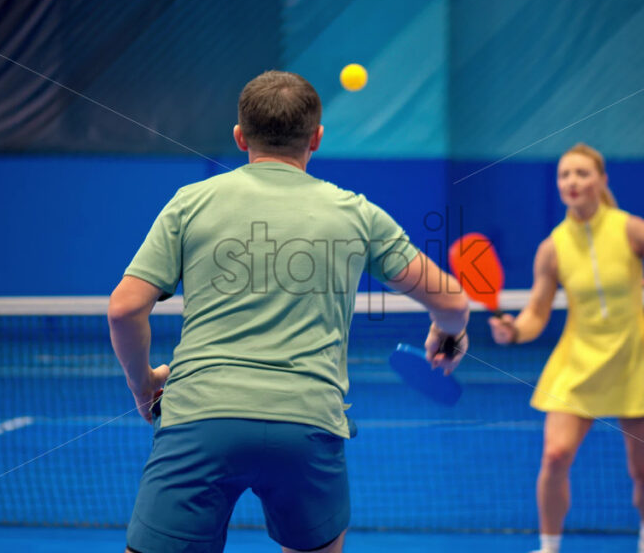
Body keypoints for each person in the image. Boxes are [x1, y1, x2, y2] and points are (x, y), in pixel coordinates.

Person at [108, 70, 469, 553]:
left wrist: (143, 383)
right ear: (317, 138)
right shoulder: (356, 213)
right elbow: (451, 301)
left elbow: (124, 308)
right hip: (308, 423)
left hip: (199, 418)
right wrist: (448, 335)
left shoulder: (190, 203)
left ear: (240, 137)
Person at [488, 143, 644, 553]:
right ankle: (548, 548)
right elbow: (536, 313)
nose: (572, 181)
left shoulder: (630, 228)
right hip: (576, 359)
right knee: (554, 456)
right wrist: (513, 331)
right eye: (565, 175)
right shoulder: (552, 247)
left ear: (602, 181)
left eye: (582, 173)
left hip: (632, 358)